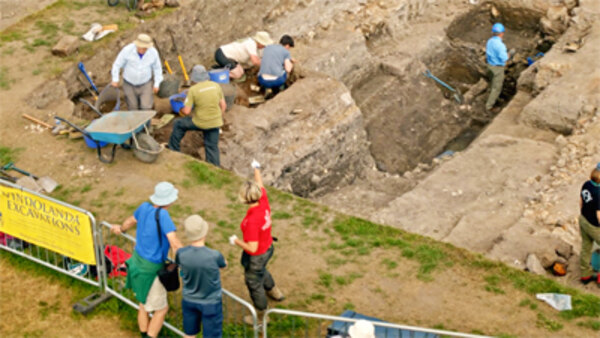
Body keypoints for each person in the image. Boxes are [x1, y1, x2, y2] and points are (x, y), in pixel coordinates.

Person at [111, 182, 183, 338]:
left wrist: (120, 229)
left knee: (143, 303)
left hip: (136, 261)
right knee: (161, 309)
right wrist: (188, 260)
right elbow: (174, 242)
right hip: (150, 269)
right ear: (169, 201)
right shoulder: (163, 215)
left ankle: (144, 333)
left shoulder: (144, 207)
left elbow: (130, 221)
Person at [229, 160, 284, 325]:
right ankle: (274, 291)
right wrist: (256, 169)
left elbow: (252, 248)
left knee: (253, 282)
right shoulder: (263, 201)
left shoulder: (253, 221)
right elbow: (260, 185)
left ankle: (261, 316)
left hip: (257, 253)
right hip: (268, 246)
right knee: (261, 270)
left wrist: (236, 241)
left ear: (245, 199)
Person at [177, 215, 227, 338]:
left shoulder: (181, 253)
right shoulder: (214, 255)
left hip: (189, 300)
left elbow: (180, 266)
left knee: (189, 334)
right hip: (210, 303)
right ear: (204, 232)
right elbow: (223, 264)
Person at [167, 65, 226, 167]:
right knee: (212, 146)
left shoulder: (193, 90)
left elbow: (186, 111)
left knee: (178, 123)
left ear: (194, 77)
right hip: (215, 122)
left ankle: (174, 150)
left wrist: (180, 109)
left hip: (200, 122)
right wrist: (217, 117)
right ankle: (215, 168)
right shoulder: (216, 86)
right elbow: (223, 105)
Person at [111, 33, 163, 110]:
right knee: (133, 107)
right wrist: (115, 79)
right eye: (140, 48)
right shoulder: (127, 50)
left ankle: (146, 122)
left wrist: (157, 84)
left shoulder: (153, 53)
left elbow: (157, 68)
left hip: (145, 84)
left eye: (144, 48)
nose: (142, 50)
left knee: (146, 107)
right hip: (129, 84)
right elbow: (117, 65)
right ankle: (135, 121)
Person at [579, 162, 600, 285]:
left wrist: (583, 215)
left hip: (583, 220)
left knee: (586, 247)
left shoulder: (586, 184)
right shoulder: (599, 192)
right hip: (594, 225)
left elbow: (581, 202)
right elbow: (599, 215)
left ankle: (585, 274)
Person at [485, 23, 510, 112]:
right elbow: (505, 58)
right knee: (497, 88)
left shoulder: (490, 41)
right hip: (497, 68)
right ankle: (489, 106)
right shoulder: (500, 45)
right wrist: (509, 54)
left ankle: (492, 97)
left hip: (489, 66)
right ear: (502, 33)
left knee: (492, 83)